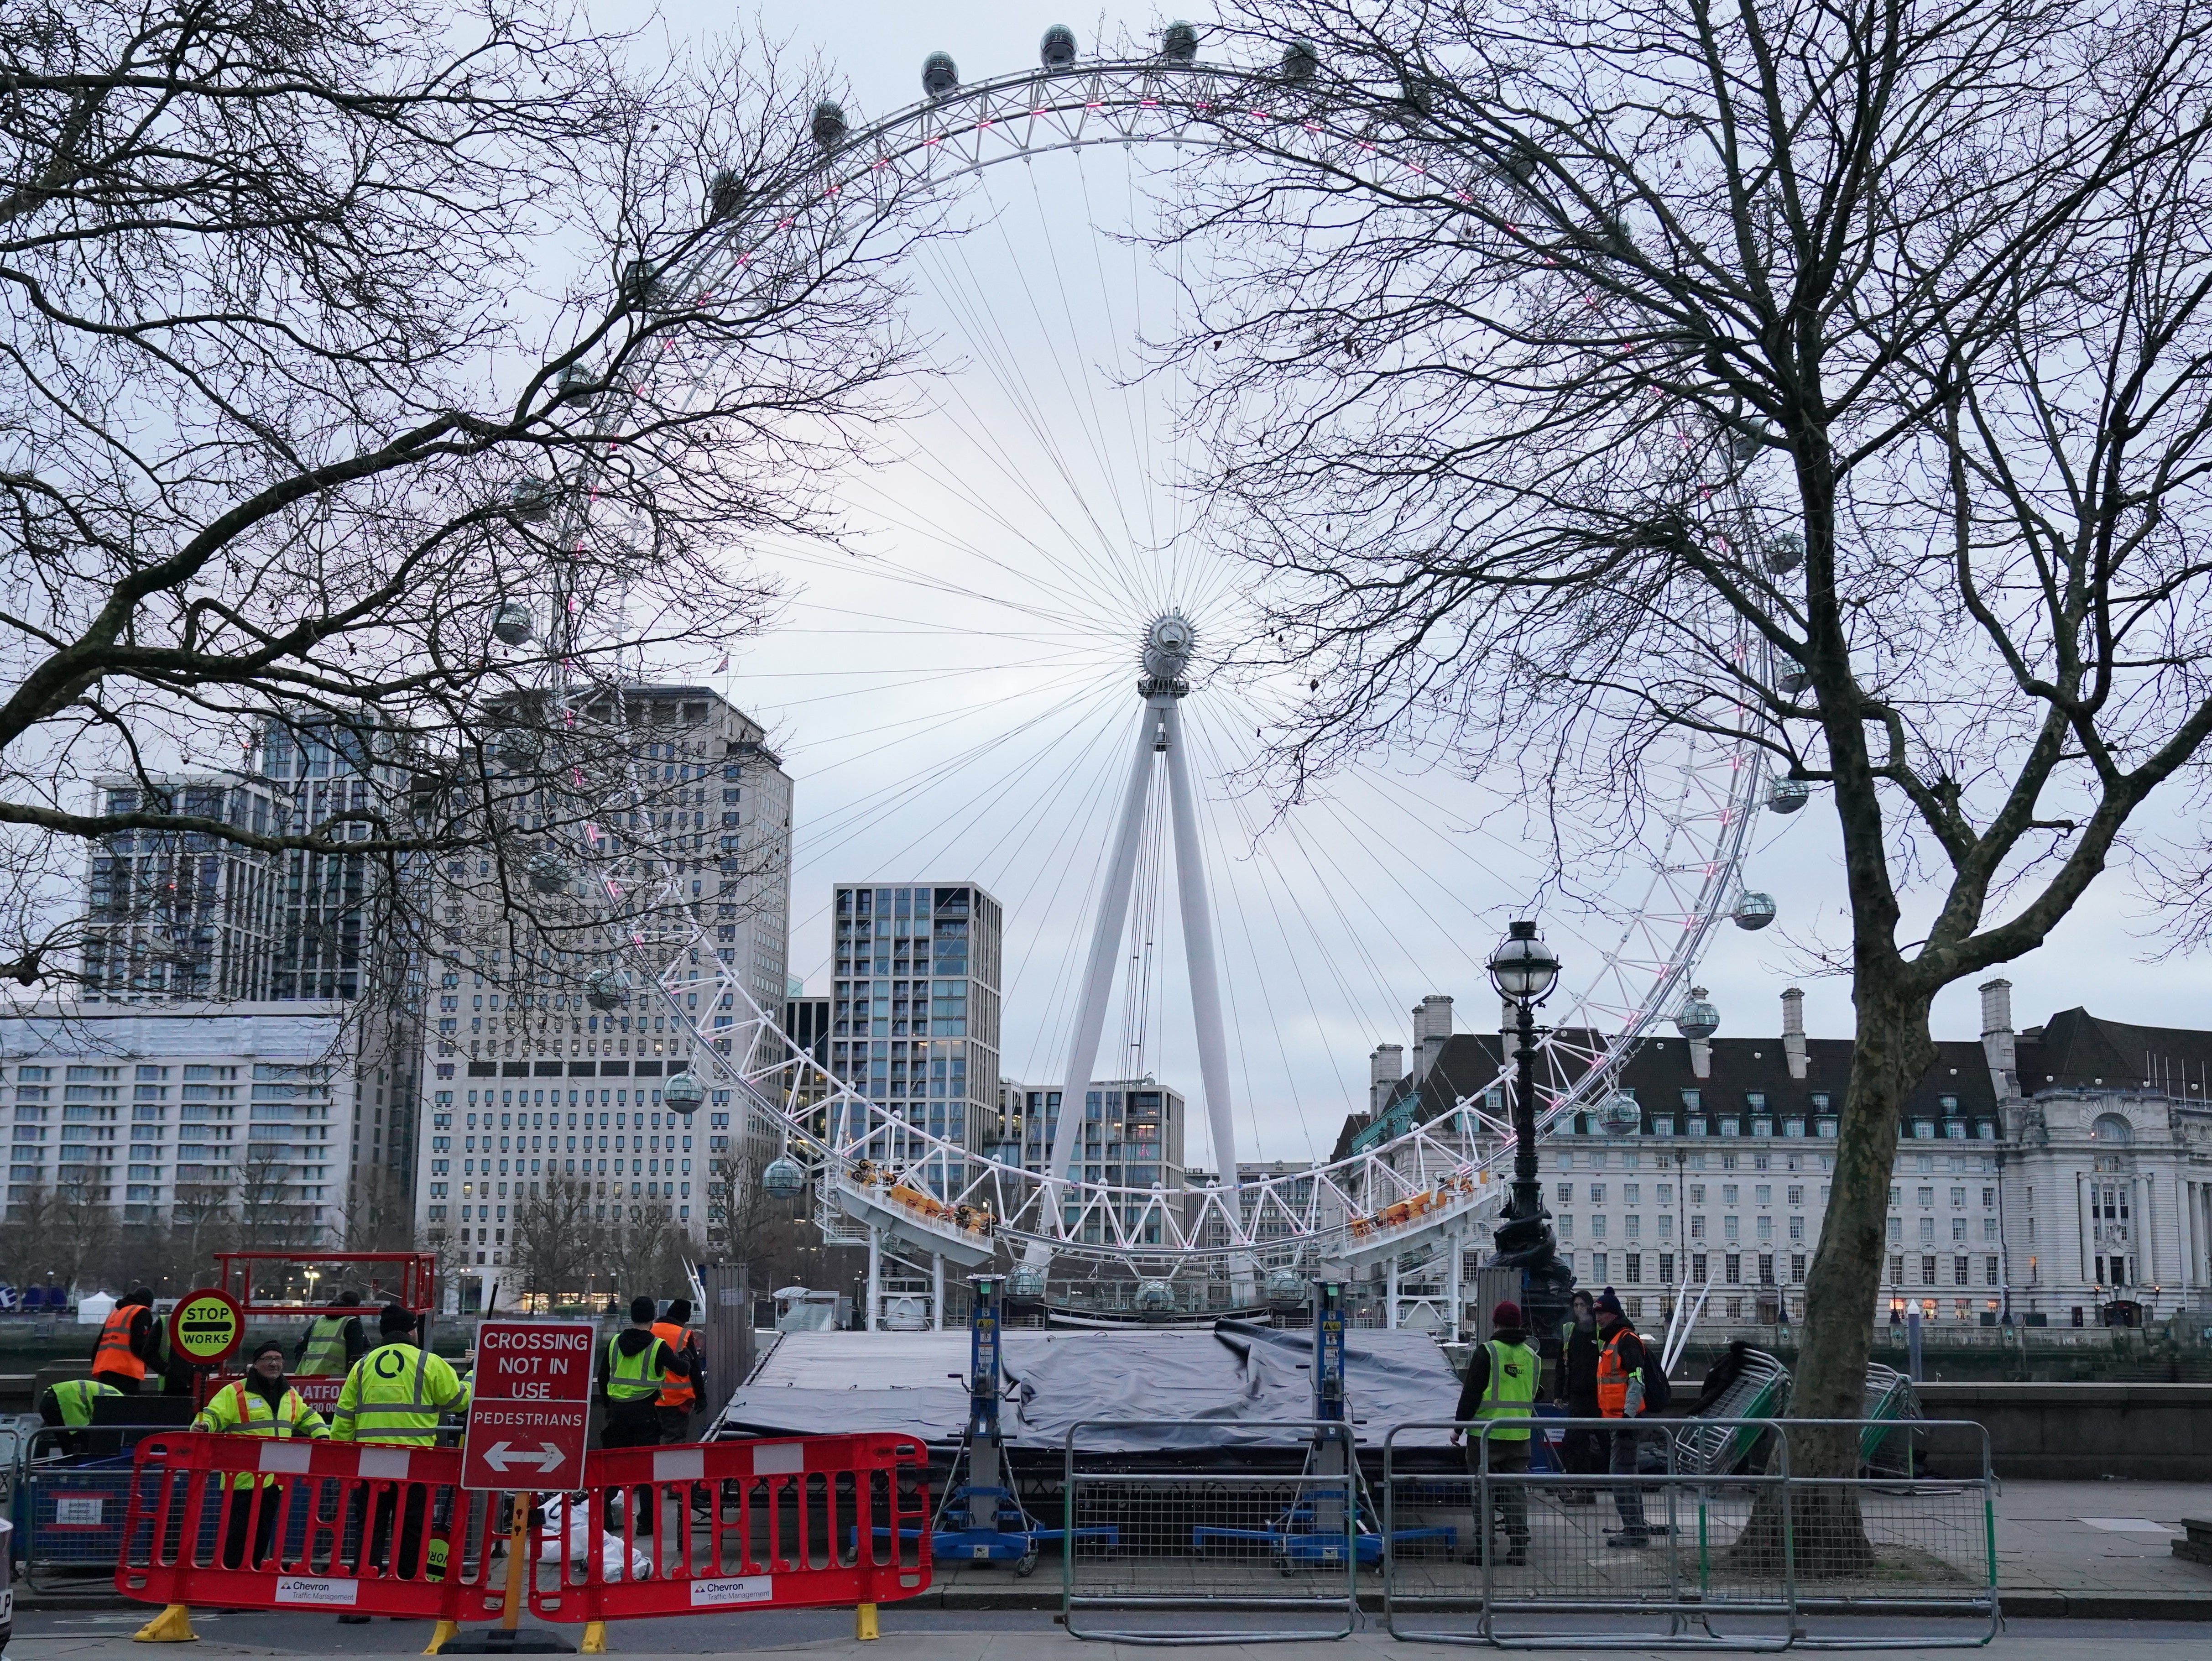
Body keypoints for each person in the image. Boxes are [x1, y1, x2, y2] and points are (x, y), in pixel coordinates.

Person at [329, 1304, 469, 1620]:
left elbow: (343, 1419)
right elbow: (458, 1401)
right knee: (411, 1530)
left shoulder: (363, 1366)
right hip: (415, 1463)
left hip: (371, 1463)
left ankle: (360, 1605)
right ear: (410, 1331)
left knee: (369, 1531)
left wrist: (341, 1458)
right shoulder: (428, 1362)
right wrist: (472, 1377)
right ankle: (404, 1602)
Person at [192, 1340, 331, 1568]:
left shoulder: (290, 1394)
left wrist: (324, 1438)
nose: (274, 1364)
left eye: (278, 1359)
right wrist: (203, 1426)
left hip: (274, 1480)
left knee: (261, 1537)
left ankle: (247, 1589)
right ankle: (230, 1591)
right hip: (242, 1480)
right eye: (268, 1359)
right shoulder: (235, 1392)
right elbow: (213, 1415)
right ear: (255, 1365)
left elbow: (308, 1417)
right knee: (238, 1538)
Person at [1452, 1299, 1538, 1566]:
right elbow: (1533, 1392)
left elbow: (1471, 1395)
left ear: (1496, 1323)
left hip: (1486, 1435)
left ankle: (1485, 1549)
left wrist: (1458, 1429)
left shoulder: (1487, 1352)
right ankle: (1519, 1549)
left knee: (1482, 1492)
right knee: (1515, 1493)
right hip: (1520, 1435)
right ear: (1519, 1324)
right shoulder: (1532, 1357)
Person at [602, 1296, 694, 1536]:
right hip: (645, 1412)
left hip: (617, 1412)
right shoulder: (657, 1346)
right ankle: (646, 1523)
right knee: (647, 1469)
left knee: (615, 1466)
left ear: (631, 1316)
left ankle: (604, 1516)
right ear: (652, 1318)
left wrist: (608, 1406)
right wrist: (686, 1356)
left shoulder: (614, 1343)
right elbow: (682, 1369)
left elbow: (604, 1377)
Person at [1593, 1287, 1651, 1547]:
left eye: (1602, 1313)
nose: (1598, 1318)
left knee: (1620, 1475)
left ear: (1614, 1314)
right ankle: (1636, 1526)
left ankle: (1635, 1530)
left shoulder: (1625, 1340)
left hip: (1625, 1420)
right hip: (1616, 1419)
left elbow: (1636, 1382)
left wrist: (1627, 1417)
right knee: (1628, 1474)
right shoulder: (1612, 1340)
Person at [1552, 1290, 1602, 1502]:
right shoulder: (1570, 1331)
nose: (1579, 1309)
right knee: (1574, 1441)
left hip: (1599, 1395)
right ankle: (1583, 1488)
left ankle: (1593, 1487)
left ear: (1590, 1306)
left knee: (1604, 1442)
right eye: (1576, 1305)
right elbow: (1562, 1364)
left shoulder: (1599, 1331)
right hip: (1577, 1395)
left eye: (1582, 1305)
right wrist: (1558, 1394)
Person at [650, 1299, 703, 1445]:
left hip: (649, 1399)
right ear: (686, 1317)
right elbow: (695, 1370)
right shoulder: (684, 1334)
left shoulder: (650, 1330)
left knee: (649, 1444)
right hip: (677, 1401)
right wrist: (701, 1396)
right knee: (674, 1443)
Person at [91, 1287, 159, 1393]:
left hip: (105, 1369)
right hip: (126, 1371)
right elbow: (140, 1345)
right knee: (130, 1407)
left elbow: (98, 1344)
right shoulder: (141, 1312)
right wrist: (159, 1365)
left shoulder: (115, 1313)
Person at [38, 1376, 122, 1455]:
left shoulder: (117, 1396)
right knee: (82, 1447)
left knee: (67, 1444)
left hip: (49, 1399)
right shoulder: (123, 1405)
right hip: (67, 1401)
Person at [296, 1289, 369, 1378]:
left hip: (308, 1376)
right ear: (356, 1307)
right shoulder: (352, 1322)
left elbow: (299, 1348)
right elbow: (356, 1355)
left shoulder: (318, 1321)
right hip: (337, 1379)